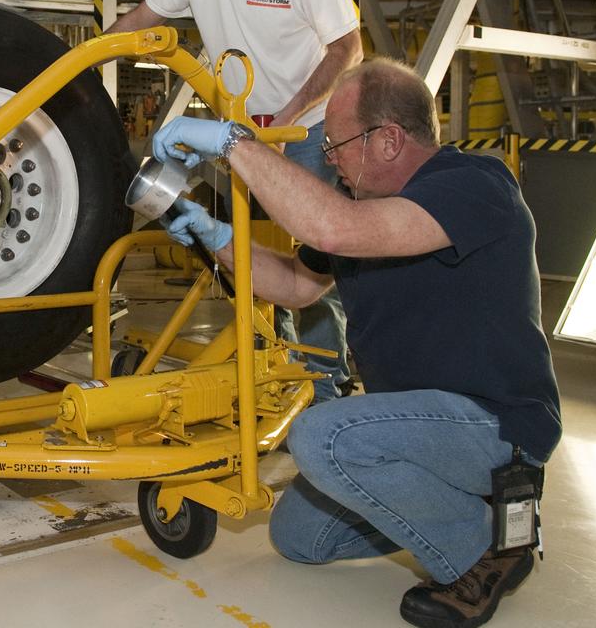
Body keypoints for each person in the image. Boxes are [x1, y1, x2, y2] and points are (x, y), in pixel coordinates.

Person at [152, 58, 561, 628]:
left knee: (322, 436)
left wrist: (231, 142)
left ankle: (483, 551)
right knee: (298, 538)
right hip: (411, 430)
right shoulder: (361, 213)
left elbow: (334, 228)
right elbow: (295, 286)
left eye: (337, 145)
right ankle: (458, 509)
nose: (330, 158)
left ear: (388, 140)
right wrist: (214, 236)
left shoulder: (474, 184)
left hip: (493, 427)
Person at [107, 0, 362, 401]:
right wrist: (85, 58)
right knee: (250, 250)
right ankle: (275, 365)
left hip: (304, 131)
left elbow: (348, 48)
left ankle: (324, 383)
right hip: (241, 134)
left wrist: (287, 120)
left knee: (314, 257)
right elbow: (145, 19)